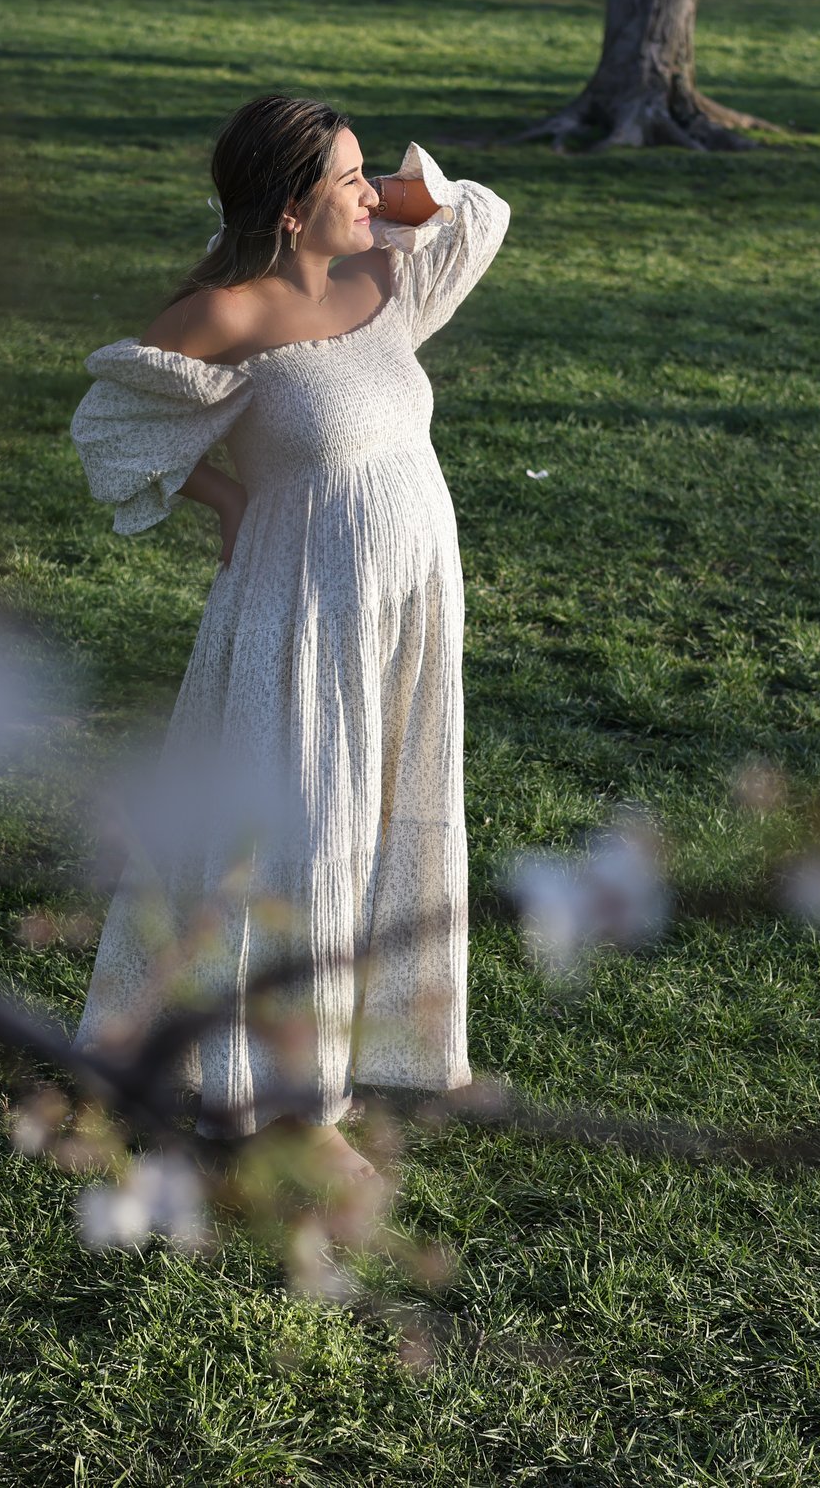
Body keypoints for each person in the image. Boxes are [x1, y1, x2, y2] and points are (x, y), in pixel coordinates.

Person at [69, 94, 510, 1182]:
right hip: (300, 617)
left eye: (367, 177)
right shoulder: (228, 314)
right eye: (347, 182)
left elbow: (474, 213)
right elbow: (111, 432)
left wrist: (383, 189)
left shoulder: (382, 280)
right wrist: (219, 495)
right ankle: (291, 1112)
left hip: (406, 606)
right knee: (300, 843)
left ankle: (368, 1052)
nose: (371, 196)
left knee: (376, 823)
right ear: (287, 207)